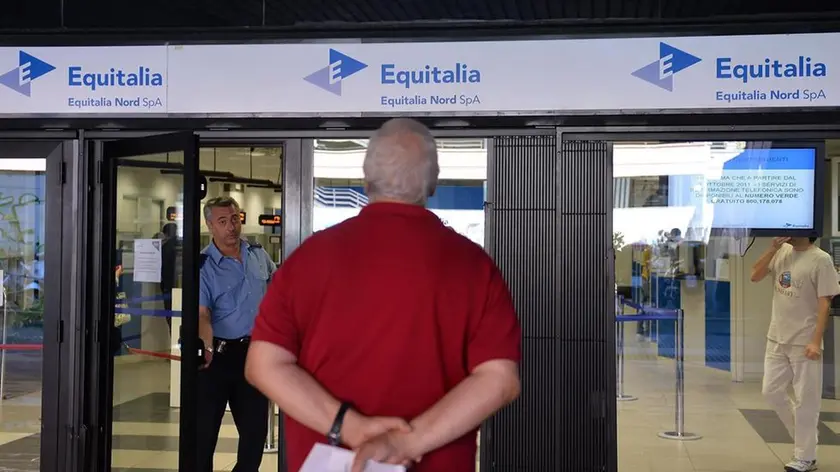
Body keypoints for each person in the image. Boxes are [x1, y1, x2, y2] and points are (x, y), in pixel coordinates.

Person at [245, 118, 522, 472]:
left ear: (365, 180)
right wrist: (407, 441)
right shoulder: (474, 266)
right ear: (433, 182)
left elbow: (263, 365)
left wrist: (351, 427)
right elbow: (499, 379)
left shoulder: (307, 260)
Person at [197, 196, 276, 472]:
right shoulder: (204, 267)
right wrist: (205, 347)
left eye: (234, 219)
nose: (231, 226)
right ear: (210, 226)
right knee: (203, 439)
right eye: (222, 221)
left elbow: (279, 290)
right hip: (216, 359)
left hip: (253, 357)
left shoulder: (258, 254)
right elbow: (202, 315)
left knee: (255, 437)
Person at [751, 236, 840, 472]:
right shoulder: (782, 251)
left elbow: (825, 303)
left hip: (804, 340)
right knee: (771, 391)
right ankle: (806, 438)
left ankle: (805, 456)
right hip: (777, 336)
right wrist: (773, 248)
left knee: (806, 401)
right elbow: (755, 275)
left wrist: (815, 340)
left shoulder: (821, 260)